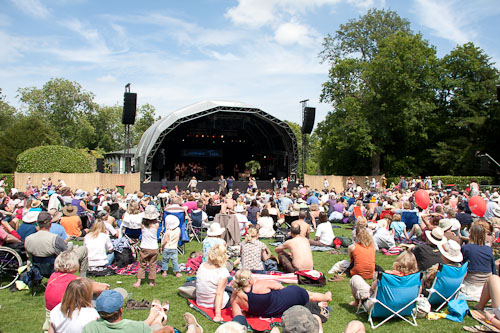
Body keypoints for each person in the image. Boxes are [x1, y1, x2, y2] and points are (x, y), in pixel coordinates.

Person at [230, 269, 331, 319]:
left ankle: (318, 303)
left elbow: (238, 317)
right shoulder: (260, 285)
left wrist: (249, 310)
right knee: (307, 294)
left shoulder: (235, 298)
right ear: (250, 279)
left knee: (298, 295)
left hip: (270, 312)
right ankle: (326, 297)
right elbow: (280, 287)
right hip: (283, 301)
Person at [25, 212, 88, 277]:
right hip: (56, 267)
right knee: (83, 249)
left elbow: (29, 256)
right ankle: (83, 278)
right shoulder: (55, 238)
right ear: (50, 223)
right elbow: (67, 252)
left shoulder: (28, 239)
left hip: (37, 268)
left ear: (37, 223)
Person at [349, 250, 419, 307]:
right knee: (376, 276)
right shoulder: (416, 278)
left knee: (355, 278)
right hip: (404, 309)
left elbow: (373, 287)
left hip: (379, 307)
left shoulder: (387, 275)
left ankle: (357, 302)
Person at [82, 290, 172, 333]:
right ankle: (158, 318)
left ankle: (155, 318)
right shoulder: (137, 327)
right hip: (144, 328)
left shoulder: (90, 328)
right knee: (157, 326)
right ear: (121, 310)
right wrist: (168, 329)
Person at [196, 244, 231, 322]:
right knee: (234, 293)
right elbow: (219, 293)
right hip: (213, 303)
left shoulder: (202, 266)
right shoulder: (222, 271)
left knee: (227, 289)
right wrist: (218, 314)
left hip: (201, 301)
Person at [461, 224, 497, 299]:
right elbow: (493, 268)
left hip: (471, 282)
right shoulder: (488, 249)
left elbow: (461, 266)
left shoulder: (466, 248)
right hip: (486, 284)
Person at [134, 206, 160, 287]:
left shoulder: (142, 225)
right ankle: (151, 282)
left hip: (144, 247)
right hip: (154, 248)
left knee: (142, 265)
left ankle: (138, 281)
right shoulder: (156, 225)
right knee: (153, 265)